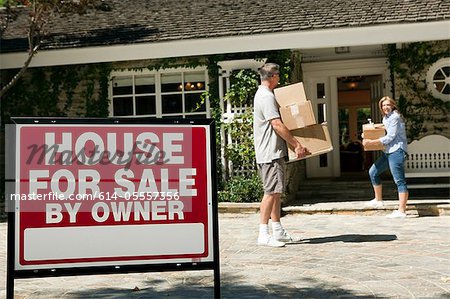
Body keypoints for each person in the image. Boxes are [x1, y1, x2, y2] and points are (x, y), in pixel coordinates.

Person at [253, 63, 309, 247]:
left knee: (276, 192)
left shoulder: (263, 94)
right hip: (270, 153)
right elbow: (276, 124)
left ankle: (277, 231)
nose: (279, 79)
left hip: (270, 151)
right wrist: (297, 144)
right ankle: (263, 233)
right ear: (273, 76)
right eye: (278, 76)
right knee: (270, 192)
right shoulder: (266, 96)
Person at [363, 96, 409, 218]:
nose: (385, 107)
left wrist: (370, 143)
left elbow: (390, 137)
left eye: (388, 105)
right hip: (388, 151)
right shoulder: (386, 118)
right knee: (373, 172)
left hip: (397, 151)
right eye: (383, 105)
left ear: (393, 105)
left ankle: (401, 211)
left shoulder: (395, 117)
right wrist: (367, 133)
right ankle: (378, 200)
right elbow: (383, 132)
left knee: (399, 181)